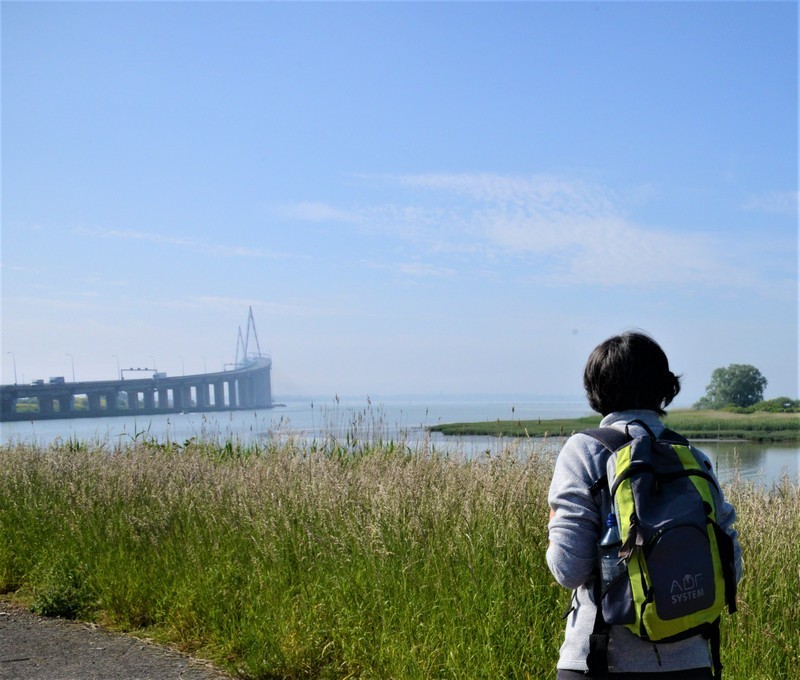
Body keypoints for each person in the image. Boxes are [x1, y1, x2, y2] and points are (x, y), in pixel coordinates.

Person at [546, 331, 742, 679]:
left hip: (601, 658)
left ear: (595, 390)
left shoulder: (583, 451)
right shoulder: (691, 456)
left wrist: (553, 521)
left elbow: (568, 569)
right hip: (692, 661)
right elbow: (731, 567)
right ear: (665, 388)